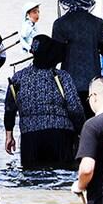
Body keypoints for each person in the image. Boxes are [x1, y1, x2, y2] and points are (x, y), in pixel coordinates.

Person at [5, 35, 85, 168]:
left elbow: (10, 108)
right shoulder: (62, 77)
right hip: (61, 137)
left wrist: (9, 135)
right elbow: (75, 108)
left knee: (33, 181)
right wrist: (82, 131)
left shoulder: (18, 78)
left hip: (30, 139)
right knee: (60, 181)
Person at [54, 0, 103, 111]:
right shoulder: (98, 23)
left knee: (71, 123)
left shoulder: (59, 24)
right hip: (93, 83)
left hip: (68, 82)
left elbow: (56, 56)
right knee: (90, 120)